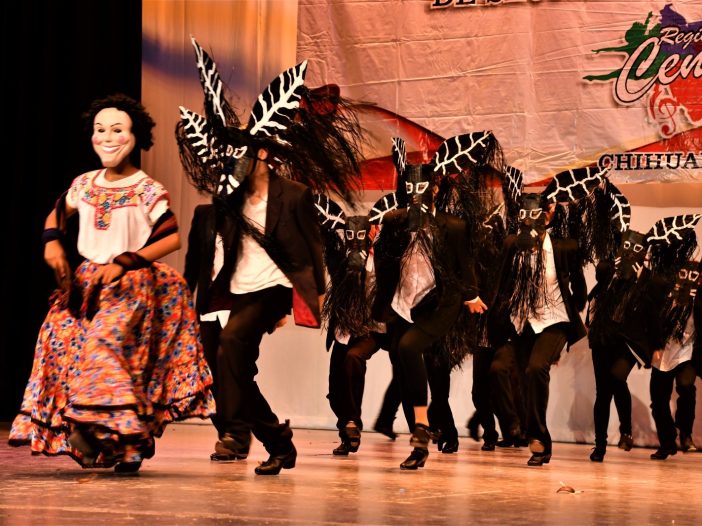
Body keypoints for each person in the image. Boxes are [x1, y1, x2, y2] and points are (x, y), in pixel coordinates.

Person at [176, 38, 364, 475]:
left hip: (271, 288)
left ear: (261, 152)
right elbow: (213, 252)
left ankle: (251, 436)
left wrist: (307, 300)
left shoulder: (292, 195)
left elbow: (311, 249)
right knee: (228, 366)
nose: (233, 163)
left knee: (231, 347)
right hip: (232, 291)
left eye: (240, 155)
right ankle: (277, 441)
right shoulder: (227, 199)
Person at [8, 94, 215, 473]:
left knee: (105, 350)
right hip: (86, 285)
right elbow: (58, 212)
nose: (107, 137)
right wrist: (52, 241)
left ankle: (103, 435)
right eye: (99, 130)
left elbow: (170, 236)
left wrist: (125, 261)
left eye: (117, 130)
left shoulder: (145, 188)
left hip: (129, 285)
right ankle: (126, 441)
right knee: (59, 346)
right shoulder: (85, 184)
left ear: (135, 137)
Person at [372, 138, 484, 470]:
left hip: (438, 306)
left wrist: (471, 296)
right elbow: (383, 262)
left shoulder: (453, 226)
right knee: (403, 369)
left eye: (422, 187)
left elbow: (464, 265)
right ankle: (418, 439)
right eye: (409, 188)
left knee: (412, 350)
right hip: (402, 304)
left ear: (435, 189)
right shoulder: (395, 222)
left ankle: (425, 426)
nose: (416, 193)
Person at [488, 167, 601, 466]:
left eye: (537, 214)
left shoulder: (564, 248)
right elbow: (501, 284)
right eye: (524, 215)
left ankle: (539, 440)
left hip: (554, 319)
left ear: (548, 215)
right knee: (518, 374)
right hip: (521, 320)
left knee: (537, 368)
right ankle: (528, 431)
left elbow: (579, 289)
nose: (530, 220)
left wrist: (574, 313)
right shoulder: (512, 245)